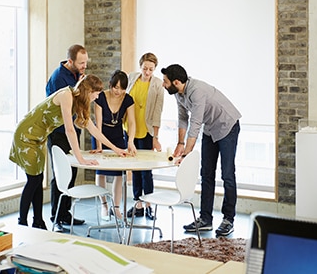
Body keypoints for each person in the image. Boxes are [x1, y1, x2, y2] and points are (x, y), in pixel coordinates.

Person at [10, 74, 128, 230]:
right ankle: (22, 223)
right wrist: (80, 159)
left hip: (39, 138)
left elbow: (93, 129)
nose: (97, 96)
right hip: (26, 135)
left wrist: (116, 149)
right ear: (89, 91)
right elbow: (69, 130)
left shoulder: (79, 103)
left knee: (38, 179)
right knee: (33, 180)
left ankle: (38, 221)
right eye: (96, 93)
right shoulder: (67, 95)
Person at [161, 64, 241, 237]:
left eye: (165, 82)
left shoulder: (197, 91)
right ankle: (205, 219)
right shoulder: (178, 93)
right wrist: (180, 143)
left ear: (176, 82)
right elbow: (183, 119)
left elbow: (195, 123)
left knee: (227, 174)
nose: (163, 85)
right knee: (206, 174)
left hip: (227, 126)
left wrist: (187, 154)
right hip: (210, 129)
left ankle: (228, 220)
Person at [46, 44, 89, 232]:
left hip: (71, 130)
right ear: (70, 61)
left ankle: (66, 213)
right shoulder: (59, 79)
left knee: (70, 173)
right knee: (61, 174)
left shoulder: (76, 74)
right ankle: (56, 216)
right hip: (58, 132)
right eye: (81, 63)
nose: (84, 66)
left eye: (86, 62)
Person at [91, 70, 137, 223]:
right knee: (101, 171)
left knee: (119, 173)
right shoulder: (101, 97)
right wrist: (99, 146)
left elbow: (131, 122)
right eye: (115, 87)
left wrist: (130, 141)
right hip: (101, 134)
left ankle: (116, 207)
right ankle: (104, 205)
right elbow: (97, 125)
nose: (118, 91)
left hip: (118, 136)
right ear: (110, 85)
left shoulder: (128, 99)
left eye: (122, 88)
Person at [125, 53, 164, 220]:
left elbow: (157, 112)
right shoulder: (131, 77)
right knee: (135, 168)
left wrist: (156, 136)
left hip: (146, 130)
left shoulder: (158, 84)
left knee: (146, 170)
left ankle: (149, 204)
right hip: (130, 128)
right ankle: (137, 204)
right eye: (144, 68)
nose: (147, 72)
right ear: (140, 66)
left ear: (154, 69)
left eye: (151, 69)